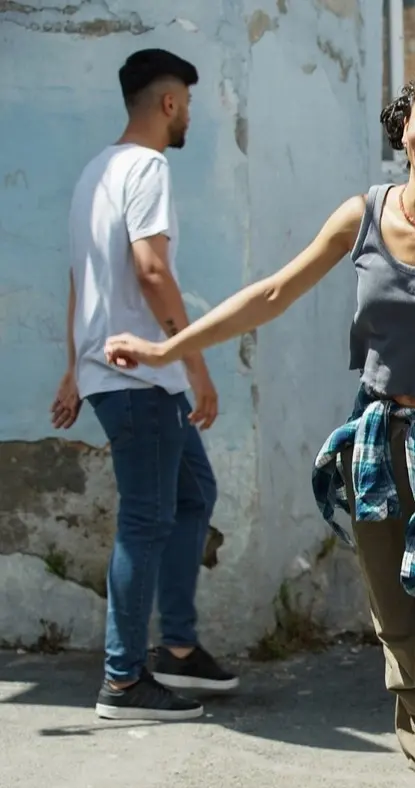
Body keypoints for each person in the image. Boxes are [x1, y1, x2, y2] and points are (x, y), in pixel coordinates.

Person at [104, 52, 415, 788]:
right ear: (404, 128)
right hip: (379, 453)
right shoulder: (363, 216)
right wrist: (167, 349)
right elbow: (272, 293)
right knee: (406, 643)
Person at [49, 48, 237, 723]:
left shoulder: (94, 173)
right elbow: (151, 270)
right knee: (147, 518)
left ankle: (178, 648)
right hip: (140, 377)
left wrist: (74, 368)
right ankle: (123, 681)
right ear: (168, 103)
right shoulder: (148, 168)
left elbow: (82, 278)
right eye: (187, 102)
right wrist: (195, 364)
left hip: (117, 374)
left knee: (193, 493)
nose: (189, 115)